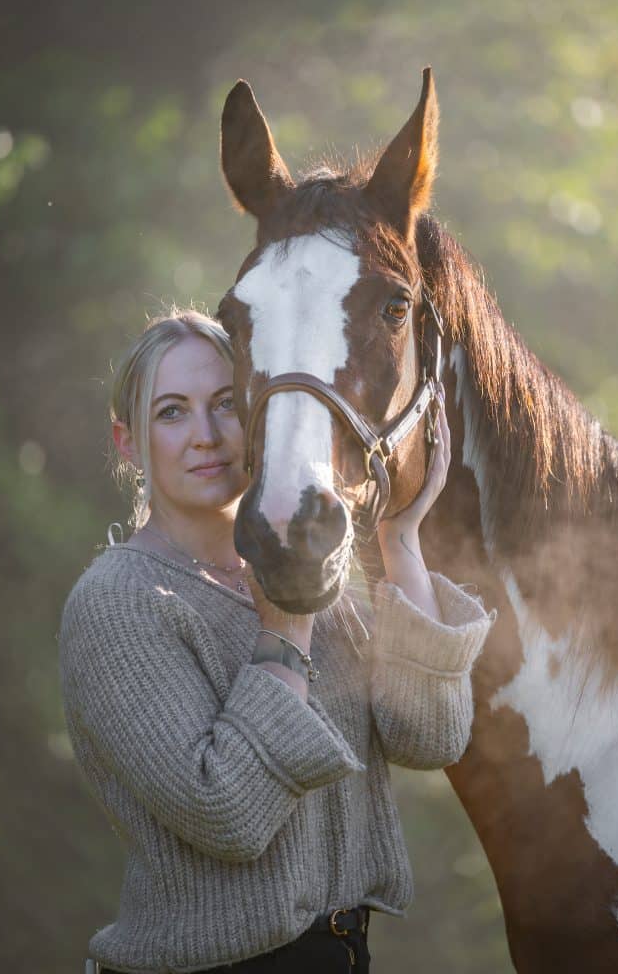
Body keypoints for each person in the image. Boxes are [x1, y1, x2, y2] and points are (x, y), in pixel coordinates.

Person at [59, 307, 495, 974]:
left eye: (227, 404)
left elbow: (427, 736)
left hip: (343, 956)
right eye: (171, 412)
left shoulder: (302, 570)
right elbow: (225, 814)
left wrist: (400, 539)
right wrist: (286, 628)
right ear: (127, 442)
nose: (205, 435)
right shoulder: (119, 602)